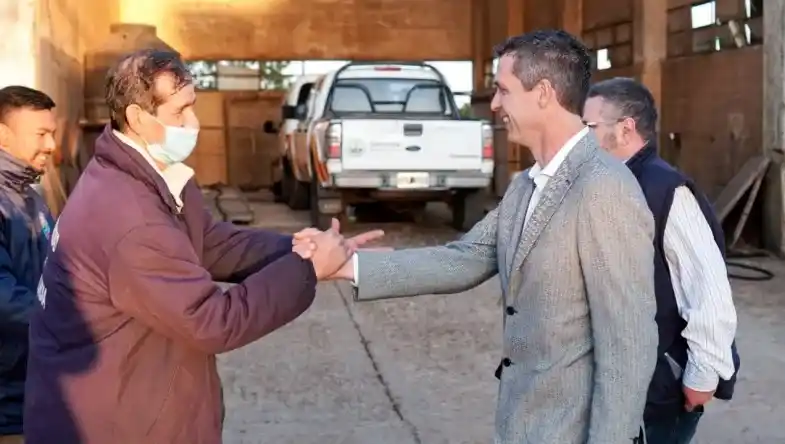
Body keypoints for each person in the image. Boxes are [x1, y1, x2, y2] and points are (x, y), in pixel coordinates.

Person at [298, 30, 658, 444]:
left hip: (571, 430)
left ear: (543, 93)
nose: (496, 104)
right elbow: (465, 257)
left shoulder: (603, 187)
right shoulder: (528, 184)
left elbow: (627, 342)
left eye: (503, 90)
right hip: (522, 422)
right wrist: (347, 265)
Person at [23, 49, 381, 444]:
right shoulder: (130, 218)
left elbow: (207, 242)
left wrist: (297, 248)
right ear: (138, 118)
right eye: (180, 112)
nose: (194, 123)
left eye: (193, 107)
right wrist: (306, 271)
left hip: (137, 397)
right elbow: (212, 321)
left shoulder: (147, 171)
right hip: (111, 424)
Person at [583, 77, 739, 444]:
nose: (581, 137)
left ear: (625, 128)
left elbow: (707, 287)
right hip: (624, 376)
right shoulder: (610, 182)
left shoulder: (667, 190)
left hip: (663, 380)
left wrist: (701, 374)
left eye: (589, 127)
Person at [0, 86, 57, 444]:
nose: (51, 145)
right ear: (3, 135)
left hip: (36, 387)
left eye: (52, 133)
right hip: (6, 399)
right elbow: (3, 299)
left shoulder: (32, 200)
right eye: (41, 134)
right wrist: (66, 324)